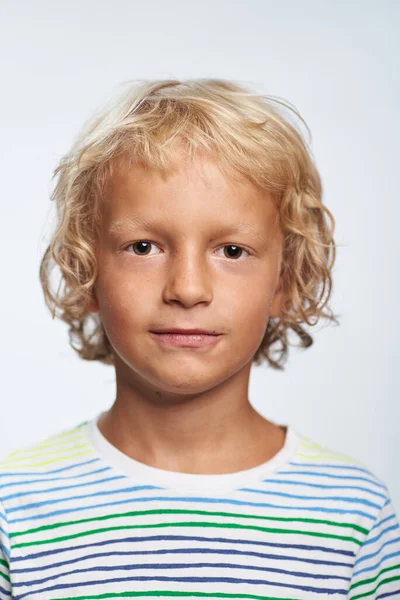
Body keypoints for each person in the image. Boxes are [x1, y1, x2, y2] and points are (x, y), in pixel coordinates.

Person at [0, 78, 399, 599]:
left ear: (286, 281)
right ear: (86, 272)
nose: (187, 289)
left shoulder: (356, 516)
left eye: (231, 251)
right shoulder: (16, 508)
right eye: (143, 246)